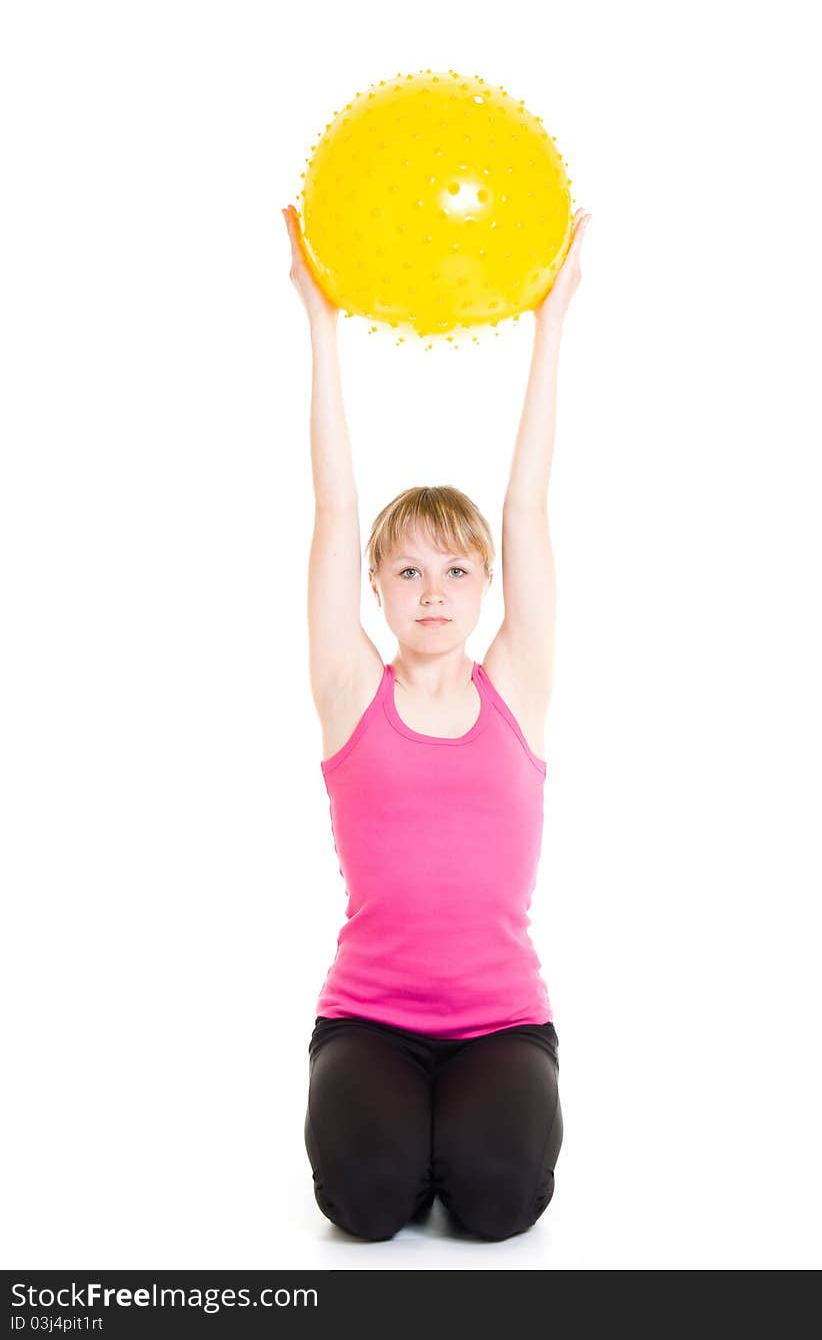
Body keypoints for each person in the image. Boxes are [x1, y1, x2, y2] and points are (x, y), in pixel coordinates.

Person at [283, 200, 590, 1241]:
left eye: (456, 570)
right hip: (367, 1020)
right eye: (407, 568)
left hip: (501, 1023)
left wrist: (551, 326)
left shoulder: (518, 686)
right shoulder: (348, 692)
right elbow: (333, 508)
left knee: (500, 1202)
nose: (432, 588)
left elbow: (528, 507)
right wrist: (320, 327)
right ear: (376, 587)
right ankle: (404, 1140)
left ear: (484, 586)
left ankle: (454, 1137)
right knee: (364, 1204)